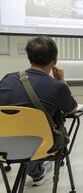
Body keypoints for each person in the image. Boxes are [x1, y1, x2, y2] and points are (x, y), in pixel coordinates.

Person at [0, 36, 78, 186]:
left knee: (22, 129)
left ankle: (36, 172)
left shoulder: (7, 79)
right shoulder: (57, 86)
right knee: (36, 132)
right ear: (55, 60)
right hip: (42, 144)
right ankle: (38, 171)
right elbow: (72, 108)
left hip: (4, 144)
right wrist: (61, 80)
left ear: (28, 56)